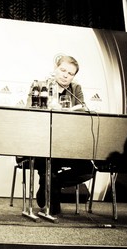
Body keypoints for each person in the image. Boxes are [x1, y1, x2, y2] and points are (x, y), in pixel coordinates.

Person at [26, 55, 93, 215]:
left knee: (88, 168)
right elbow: (29, 109)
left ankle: (51, 182)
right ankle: (50, 184)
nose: (65, 75)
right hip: (42, 142)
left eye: (70, 73)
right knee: (48, 162)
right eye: (63, 70)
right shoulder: (40, 85)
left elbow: (82, 109)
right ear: (55, 68)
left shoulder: (76, 89)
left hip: (67, 142)